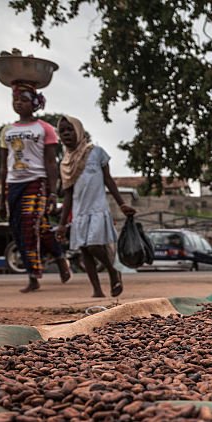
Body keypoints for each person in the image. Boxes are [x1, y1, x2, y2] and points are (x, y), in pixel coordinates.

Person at [0, 82, 71, 293]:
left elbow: (51, 162)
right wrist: (1, 199)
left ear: (35, 103)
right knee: (26, 228)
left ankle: (33, 275)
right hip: (13, 184)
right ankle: (59, 257)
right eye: (15, 100)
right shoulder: (7, 130)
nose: (18, 103)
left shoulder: (45, 128)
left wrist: (52, 190)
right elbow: (3, 165)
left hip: (36, 182)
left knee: (29, 226)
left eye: (23, 100)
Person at [57, 115, 134, 298]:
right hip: (79, 212)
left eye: (70, 129)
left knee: (93, 246)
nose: (66, 134)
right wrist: (61, 223)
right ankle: (97, 290)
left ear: (79, 130)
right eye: (62, 131)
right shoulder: (65, 163)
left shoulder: (97, 152)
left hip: (97, 208)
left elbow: (109, 180)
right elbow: (68, 195)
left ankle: (113, 271)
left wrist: (122, 203)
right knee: (85, 251)